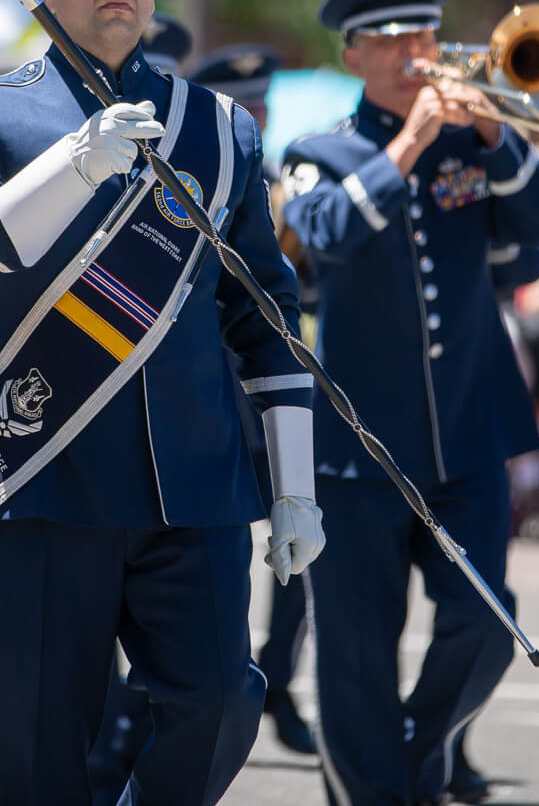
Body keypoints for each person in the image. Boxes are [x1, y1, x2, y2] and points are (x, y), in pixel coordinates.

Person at [0, 0, 322, 806]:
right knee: (39, 759)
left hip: (196, 487)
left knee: (222, 703)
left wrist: (293, 485)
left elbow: (264, 312)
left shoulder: (219, 128)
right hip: (48, 480)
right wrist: (72, 164)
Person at [281, 0, 539, 806]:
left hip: (467, 435)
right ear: (354, 53)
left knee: (485, 622)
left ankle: (412, 760)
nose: (417, 52)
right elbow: (324, 233)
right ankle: (372, 789)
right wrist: (405, 144)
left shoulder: (476, 143)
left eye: (425, 34)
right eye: (395, 38)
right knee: (357, 653)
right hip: (357, 451)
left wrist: (491, 135)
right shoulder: (318, 150)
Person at [190, 44, 318, 756]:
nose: (258, 115)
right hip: (215, 386)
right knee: (223, 544)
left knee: (299, 540)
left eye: (264, 102)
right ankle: (230, 673)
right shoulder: (203, 175)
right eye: (245, 103)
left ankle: (280, 673)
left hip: (274, 386)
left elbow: (301, 289)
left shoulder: (283, 180)